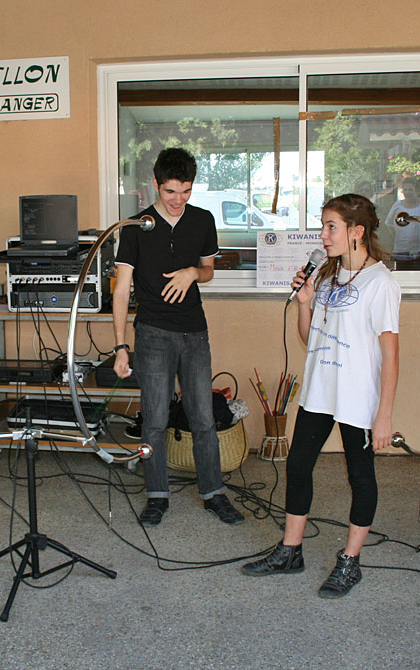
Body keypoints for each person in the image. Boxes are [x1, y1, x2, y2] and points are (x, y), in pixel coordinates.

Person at [242, 193, 400, 598]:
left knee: (359, 476)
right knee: (297, 466)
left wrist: (384, 414)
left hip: (357, 398)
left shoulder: (380, 282)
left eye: (331, 227)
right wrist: (305, 303)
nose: (323, 235)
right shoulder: (328, 278)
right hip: (319, 392)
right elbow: (312, 341)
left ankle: (350, 561)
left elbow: (391, 355)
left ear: (357, 232)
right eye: (322, 226)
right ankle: (290, 551)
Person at [112, 147, 244, 527]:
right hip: (152, 334)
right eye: (171, 191)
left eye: (186, 190)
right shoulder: (137, 227)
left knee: (203, 416)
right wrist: (121, 347)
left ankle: (213, 493)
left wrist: (192, 273)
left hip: (194, 331)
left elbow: (209, 271)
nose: (178, 200)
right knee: (154, 420)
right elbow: (122, 291)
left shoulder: (202, 220)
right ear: (155, 185)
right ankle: (156, 495)